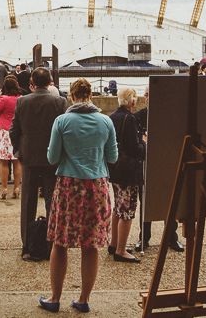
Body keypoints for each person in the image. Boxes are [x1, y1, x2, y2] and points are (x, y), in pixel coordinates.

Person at [38, 78, 117, 313]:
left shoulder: (62, 121)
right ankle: (83, 299)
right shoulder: (105, 122)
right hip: (97, 186)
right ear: (90, 95)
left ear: (72, 96)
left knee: (60, 243)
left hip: (69, 187)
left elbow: (52, 158)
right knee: (90, 245)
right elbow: (112, 157)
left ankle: (54, 298)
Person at [9, 67, 68, 261]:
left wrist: (18, 150)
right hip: (53, 159)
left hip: (29, 158)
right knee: (52, 202)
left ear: (32, 83)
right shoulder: (60, 102)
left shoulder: (22, 101)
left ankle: (27, 245)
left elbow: (14, 130)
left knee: (28, 202)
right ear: (50, 82)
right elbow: (65, 132)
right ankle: (52, 244)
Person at [133, 86, 183, 253]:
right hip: (145, 165)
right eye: (146, 95)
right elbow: (136, 142)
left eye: (149, 95)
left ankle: (171, 238)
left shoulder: (169, 118)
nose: (147, 97)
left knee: (169, 203)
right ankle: (144, 238)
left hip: (165, 164)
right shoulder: (138, 117)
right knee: (145, 203)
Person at [108, 88, 145, 263]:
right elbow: (134, 149)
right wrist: (144, 144)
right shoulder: (129, 119)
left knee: (118, 208)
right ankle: (121, 250)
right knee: (128, 210)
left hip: (115, 169)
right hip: (128, 171)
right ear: (132, 101)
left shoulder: (112, 117)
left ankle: (114, 243)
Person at [0, 76, 22, 199]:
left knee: (3, 163)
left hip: (4, 132)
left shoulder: (3, 99)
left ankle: (4, 188)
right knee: (17, 162)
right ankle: (17, 188)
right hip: (17, 133)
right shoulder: (21, 99)